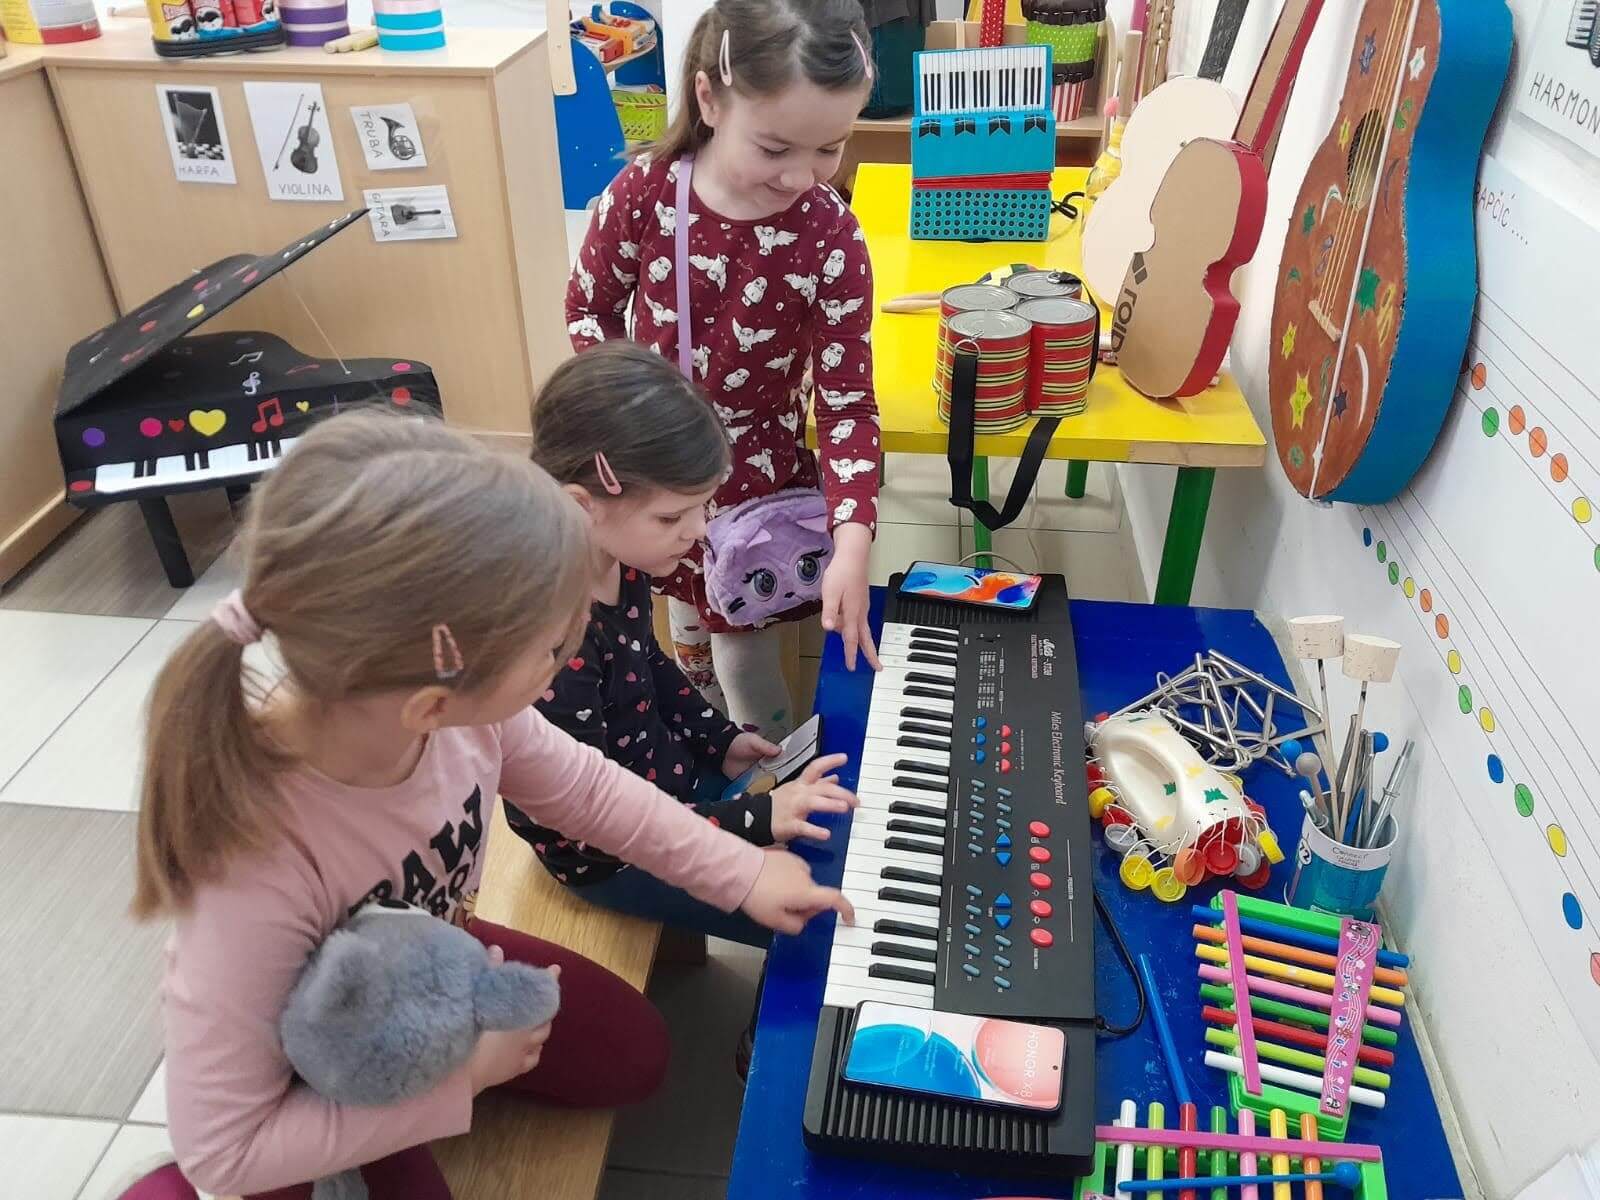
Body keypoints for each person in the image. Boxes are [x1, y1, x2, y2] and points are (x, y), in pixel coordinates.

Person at [124, 412, 851, 1200]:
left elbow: (591, 791)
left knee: (634, 1057)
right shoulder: (251, 870)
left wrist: (743, 872)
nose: (566, 663)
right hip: (311, 1060)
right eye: (551, 651)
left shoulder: (465, 713)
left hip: (427, 955)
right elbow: (223, 1152)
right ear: (432, 705)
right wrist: (457, 1081)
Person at [566, 0, 884, 741]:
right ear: (709, 100)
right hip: (657, 466)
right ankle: (707, 746)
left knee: (744, 653)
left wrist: (853, 540)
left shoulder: (832, 235)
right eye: (774, 148)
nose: (801, 177)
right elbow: (589, 308)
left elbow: (846, 404)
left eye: (830, 148)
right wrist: (625, 414)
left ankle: (765, 771)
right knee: (683, 624)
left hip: (754, 482)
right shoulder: (644, 193)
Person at [503, 342, 858, 948]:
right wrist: (756, 820)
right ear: (583, 506)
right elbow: (595, 823)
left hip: (666, 777)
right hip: (611, 853)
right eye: (672, 518)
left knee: (827, 829)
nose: (698, 532)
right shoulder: (549, 643)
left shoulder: (618, 557)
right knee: (810, 922)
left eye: (701, 509)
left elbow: (647, 663)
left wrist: (719, 740)